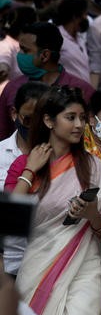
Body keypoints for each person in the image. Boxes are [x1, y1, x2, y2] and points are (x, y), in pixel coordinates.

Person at [10, 86, 101, 315]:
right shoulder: (26, 164)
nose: (78, 124)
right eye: (70, 117)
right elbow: (10, 222)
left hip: (86, 264)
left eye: (82, 117)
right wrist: (31, 170)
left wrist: (91, 213)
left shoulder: (94, 166)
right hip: (37, 265)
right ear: (48, 121)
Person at [0, 22, 95, 139]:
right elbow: (2, 133)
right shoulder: (12, 88)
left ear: (45, 55)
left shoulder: (81, 90)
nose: (19, 55)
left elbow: (90, 139)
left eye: (25, 50)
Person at [0, 82, 48, 277]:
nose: (35, 127)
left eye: (41, 120)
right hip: (6, 266)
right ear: (14, 114)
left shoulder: (61, 158)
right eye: (28, 120)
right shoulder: (1, 154)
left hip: (44, 266)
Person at [52, 0, 91, 84]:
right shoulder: (56, 36)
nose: (86, 18)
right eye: (85, 14)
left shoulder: (80, 38)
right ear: (75, 17)